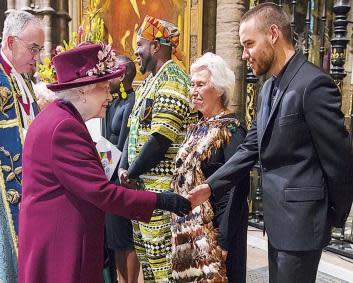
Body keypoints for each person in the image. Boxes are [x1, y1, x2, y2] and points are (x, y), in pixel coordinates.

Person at [189, 3, 353, 283]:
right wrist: (209, 186)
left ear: (274, 33)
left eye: (249, 44)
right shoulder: (267, 89)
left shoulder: (313, 84)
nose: (244, 55)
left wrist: (332, 216)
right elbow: (251, 147)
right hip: (277, 222)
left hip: (302, 223)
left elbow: (339, 159)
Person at [18, 43, 191, 283]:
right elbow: (100, 191)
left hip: (57, 236)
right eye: (104, 89)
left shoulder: (59, 117)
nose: (110, 96)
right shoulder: (63, 127)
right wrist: (162, 200)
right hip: (62, 245)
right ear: (83, 91)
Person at [118, 15, 197, 282]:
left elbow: (160, 140)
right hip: (143, 193)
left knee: (164, 271)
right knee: (149, 269)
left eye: (140, 44)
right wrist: (125, 168)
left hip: (161, 193)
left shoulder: (173, 78)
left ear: (155, 46)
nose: (136, 51)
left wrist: (130, 173)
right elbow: (134, 135)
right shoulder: (150, 81)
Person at [170, 52, 249, 283]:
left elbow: (237, 188)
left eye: (201, 85)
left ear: (220, 89)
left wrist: (223, 240)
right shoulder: (197, 127)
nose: (194, 91)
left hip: (215, 234)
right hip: (188, 234)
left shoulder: (232, 130)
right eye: (192, 84)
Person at [0, 10, 44, 283]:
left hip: (27, 186)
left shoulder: (21, 79)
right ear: (11, 42)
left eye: (39, 50)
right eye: (33, 49)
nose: (37, 57)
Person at [102, 55, 140, 283]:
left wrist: (110, 170)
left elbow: (126, 143)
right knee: (113, 238)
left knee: (125, 238)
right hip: (107, 174)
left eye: (113, 70)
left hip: (119, 177)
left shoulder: (132, 102)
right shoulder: (112, 100)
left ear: (123, 74)